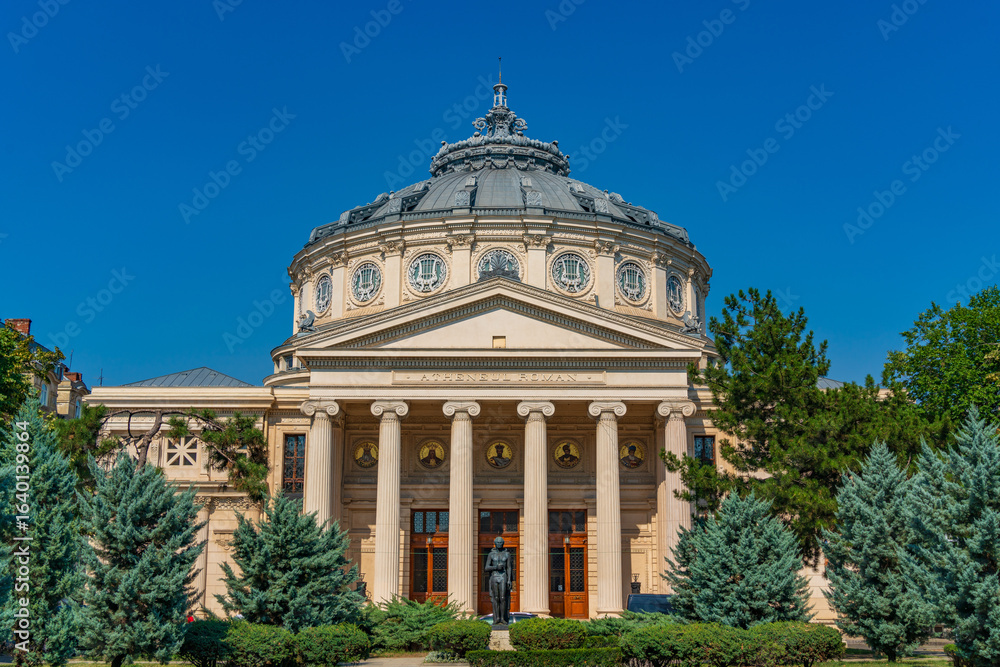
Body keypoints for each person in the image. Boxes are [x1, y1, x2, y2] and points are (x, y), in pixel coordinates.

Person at [484, 535, 513, 625]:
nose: (499, 544)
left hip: (503, 577)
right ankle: (496, 618)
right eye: (498, 542)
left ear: (503, 544)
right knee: (496, 598)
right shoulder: (491, 554)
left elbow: (509, 568)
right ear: (495, 543)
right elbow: (486, 567)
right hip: (494, 577)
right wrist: (496, 567)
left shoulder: (507, 554)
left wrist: (509, 580)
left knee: (503, 598)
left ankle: (503, 618)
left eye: (501, 542)